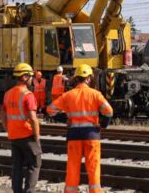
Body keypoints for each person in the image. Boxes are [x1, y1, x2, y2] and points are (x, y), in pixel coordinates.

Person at [47, 64, 113, 192]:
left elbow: (50, 110)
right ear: (88, 78)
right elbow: (109, 111)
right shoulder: (95, 94)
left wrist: (65, 118)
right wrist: (103, 124)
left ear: (76, 78)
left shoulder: (68, 95)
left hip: (74, 136)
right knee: (93, 168)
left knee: (72, 168)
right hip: (92, 135)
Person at [1, 63, 41, 193]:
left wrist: (8, 129)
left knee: (17, 166)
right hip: (27, 136)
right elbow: (33, 118)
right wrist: (37, 136)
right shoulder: (28, 95)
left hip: (14, 136)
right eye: (30, 76)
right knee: (34, 164)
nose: (32, 79)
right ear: (24, 77)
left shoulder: (8, 94)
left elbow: (2, 115)